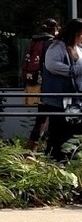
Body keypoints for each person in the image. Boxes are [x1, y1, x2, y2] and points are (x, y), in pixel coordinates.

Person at [39, 18, 82, 161]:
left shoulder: (78, 48)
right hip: (59, 96)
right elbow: (51, 64)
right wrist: (72, 70)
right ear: (76, 33)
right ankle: (54, 157)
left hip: (74, 96)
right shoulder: (57, 46)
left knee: (72, 128)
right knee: (58, 128)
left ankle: (67, 157)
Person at [25, 18, 60, 146]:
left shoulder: (34, 41)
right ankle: (35, 147)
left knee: (42, 116)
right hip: (48, 84)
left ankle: (32, 147)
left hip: (34, 82)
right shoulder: (50, 43)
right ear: (55, 29)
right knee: (47, 117)